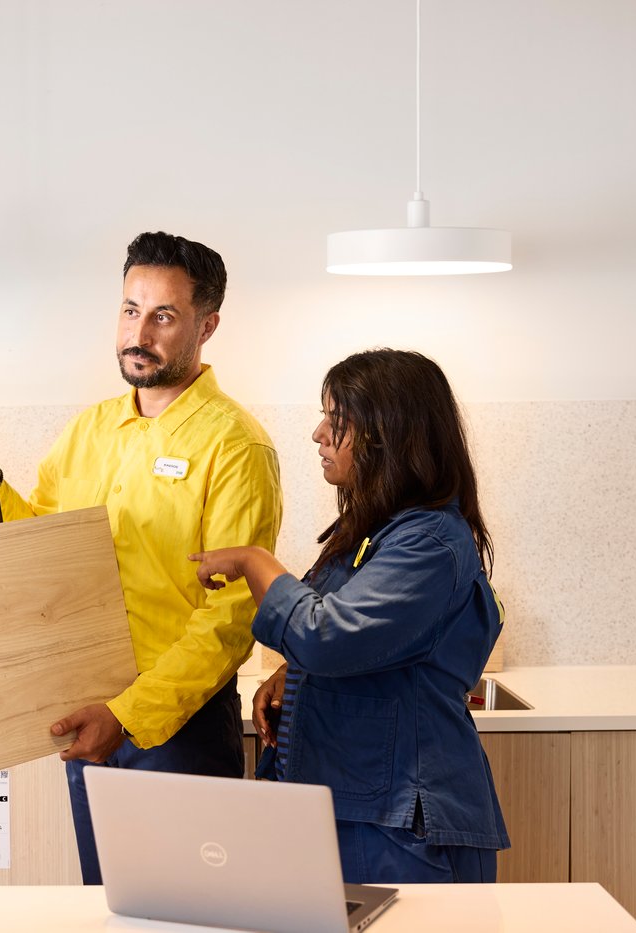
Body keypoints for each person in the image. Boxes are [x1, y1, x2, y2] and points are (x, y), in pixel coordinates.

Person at [0, 231, 283, 884]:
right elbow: (46, 542)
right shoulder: (91, 429)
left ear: (207, 325)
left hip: (177, 730)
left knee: (188, 916)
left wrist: (127, 715)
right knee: (110, 905)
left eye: (164, 316)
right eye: (131, 310)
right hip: (87, 715)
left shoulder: (237, 446)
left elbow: (231, 617)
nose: (140, 332)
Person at [190, 348, 509, 884]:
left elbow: (326, 637)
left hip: (406, 828)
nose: (318, 433)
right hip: (359, 809)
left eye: (336, 420)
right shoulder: (373, 536)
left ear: (388, 434)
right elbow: (366, 641)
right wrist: (294, 676)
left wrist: (254, 560)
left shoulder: (429, 542)